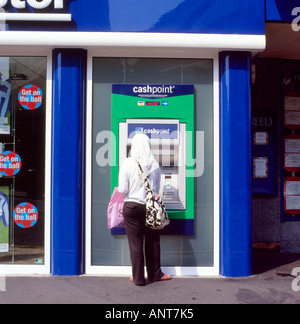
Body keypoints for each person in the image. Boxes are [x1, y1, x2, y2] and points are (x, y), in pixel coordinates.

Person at [118, 133, 172, 286]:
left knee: (135, 243)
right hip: (150, 208)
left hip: (132, 207)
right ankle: (155, 274)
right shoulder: (155, 165)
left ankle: (138, 278)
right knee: (153, 241)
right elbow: (156, 189)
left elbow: (122, 189)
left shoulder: (127, 163)